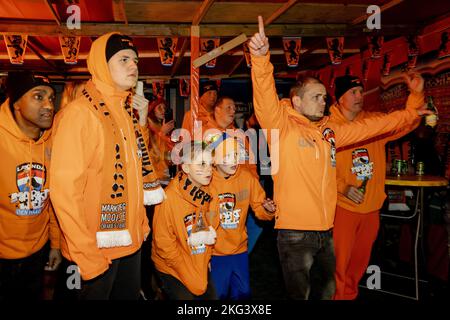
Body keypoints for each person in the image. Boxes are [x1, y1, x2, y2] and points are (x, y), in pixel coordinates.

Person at [249, 16, 432, 300]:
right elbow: (264, 96)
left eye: (324, 97)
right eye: (315, 97)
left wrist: (410, 112)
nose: (323, 102)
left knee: (328, 292)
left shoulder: (329, 132)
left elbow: (373, 126)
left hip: (326, 229)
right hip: (295, 233)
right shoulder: (281, 126)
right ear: (297, 101)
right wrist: (260, 58)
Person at [50, 33, 164, 300]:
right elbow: (64, 191)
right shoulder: (79, 114)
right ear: (102, 64)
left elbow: (136, 168)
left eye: (135, 60)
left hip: (131, 245)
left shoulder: (125, 114)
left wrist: (140, 226)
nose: (133, 66)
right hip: (93, 252)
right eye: (123, 59)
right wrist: (87, 256)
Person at [329, 74, 423, 300]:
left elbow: (407, 121)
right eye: (353, 92)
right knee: (338, 266)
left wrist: (416, 95)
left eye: (361, 91)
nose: (359, 96)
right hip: (342, 208)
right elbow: (318, 168)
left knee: (359, 265)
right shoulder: (329, 127)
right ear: (340, 98)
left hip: (371, 208)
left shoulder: (373, 122)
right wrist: (341, 187)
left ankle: (348, 297)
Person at [0, 71, 61, 300]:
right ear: (16, 103)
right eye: (38, 96)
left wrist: (55, 244)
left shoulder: (54, 139)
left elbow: (54, 197)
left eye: (51, 98)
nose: (48, 105)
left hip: (38, 252)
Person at [208, 134, 276, 300]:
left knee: (242, 295)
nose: (233, 161)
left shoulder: (246, 177)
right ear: (215, 159)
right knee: (217, 295)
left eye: (236, 155)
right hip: (214, 253)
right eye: (227, 156)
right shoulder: (206, 180)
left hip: (239, 251)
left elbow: (260, 207)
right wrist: (202, 256)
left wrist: (267, 210)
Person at [151, 141, 217, 300]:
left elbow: (211, 226)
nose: (208, 170)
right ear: (186, 167)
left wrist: (205, 257)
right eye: (201, 164)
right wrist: (187, 271)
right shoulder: (168, 198)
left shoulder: (210, 191)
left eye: (211, 164)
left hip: (196, 257)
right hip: (171, 265)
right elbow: (163, 243)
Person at [147, 97, 175, 187]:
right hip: (154, 174)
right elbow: (150, 151)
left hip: (166, 170)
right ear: (152, 110)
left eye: (164, 108)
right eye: (159, 108)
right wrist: (162, 133)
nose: (163, 110)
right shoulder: (147, 125)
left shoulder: (162, 125)